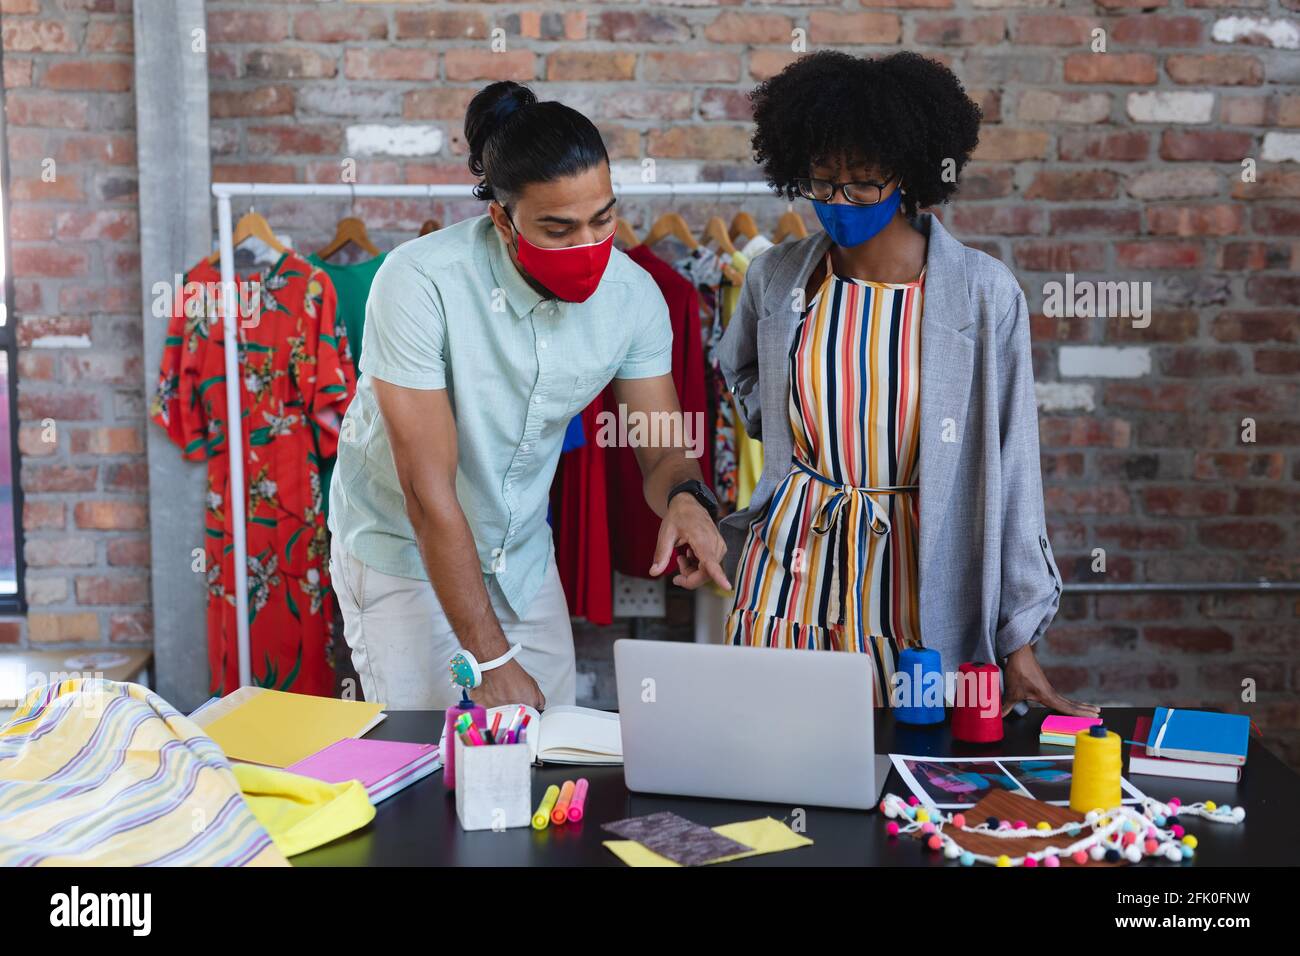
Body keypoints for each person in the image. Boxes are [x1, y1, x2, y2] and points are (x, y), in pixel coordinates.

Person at [718, 51, 1098, 718]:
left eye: (863, 183)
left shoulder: (981, 295)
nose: (839, 201)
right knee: (769, 752)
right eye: (823, 181)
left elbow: (1012, 469)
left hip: (916, 577)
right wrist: (787, 432)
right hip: (787, 569)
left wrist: (1019, 640)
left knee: (910, 766)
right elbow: (741, 369)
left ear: (912, 176)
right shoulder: (777, 279)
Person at [328, 81, 728, 710]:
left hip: (520, 558)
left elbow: (661, 451)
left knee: (552, 757)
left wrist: (685, 497)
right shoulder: (418, 284)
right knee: (438, 766)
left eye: (603, 219)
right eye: (558, 228)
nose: (588, 246)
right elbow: (427, 494)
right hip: (404, 553)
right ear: (502, 220)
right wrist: (489, 660)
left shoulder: (634, 297)